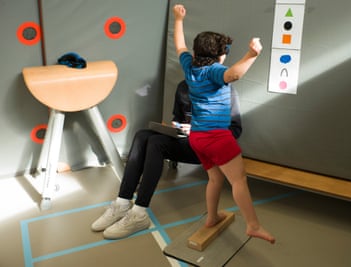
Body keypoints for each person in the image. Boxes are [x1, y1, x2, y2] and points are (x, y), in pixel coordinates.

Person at [173, 4, 275, 244]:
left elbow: (179, 45)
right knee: (239, 180)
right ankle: (253, 225)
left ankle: (211, 217)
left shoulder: (190, 66)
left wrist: (178, 20)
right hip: (217, 137)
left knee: (215, 179)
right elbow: (235, 75)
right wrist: (252, 55)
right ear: (219, 55)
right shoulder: (214, 71)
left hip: (197, 137)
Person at [91, 80, 242, 239]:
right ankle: (122, 203)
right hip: (186, 139)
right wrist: (175, 126)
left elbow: (235, 130)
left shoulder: (225, 90)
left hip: (207, 146)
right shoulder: (183, 86)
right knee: (142, 135)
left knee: (156, 143)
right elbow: (178, 117)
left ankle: (139, 213)